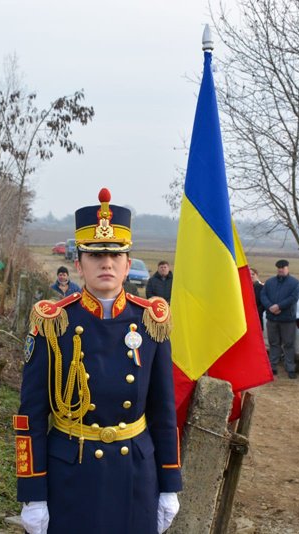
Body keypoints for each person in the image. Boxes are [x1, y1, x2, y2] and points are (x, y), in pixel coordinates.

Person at [14, 188, 182, 534]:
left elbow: (164, 411)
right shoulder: (53, 321)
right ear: (79, 263)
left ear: (126, 262)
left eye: (115, 254)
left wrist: (169, 485)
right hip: (72, 474)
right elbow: (31, 413)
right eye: (96, 254)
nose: (106, 262)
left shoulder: (152, 321)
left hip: (134, 475)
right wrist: (33, 494)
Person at [260, 259, 299, 378]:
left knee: (288, 344)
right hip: (272, 318)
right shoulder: (270, 282)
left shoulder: (294, 283)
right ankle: (272, 367)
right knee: (273, 344)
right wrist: (270, 306)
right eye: (279, 268)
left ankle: (290, 369)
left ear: (287, 268)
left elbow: (293, 298)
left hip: (287, 319)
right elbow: (263, 295)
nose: (281, 269)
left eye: (283, 267)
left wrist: (279, 306)